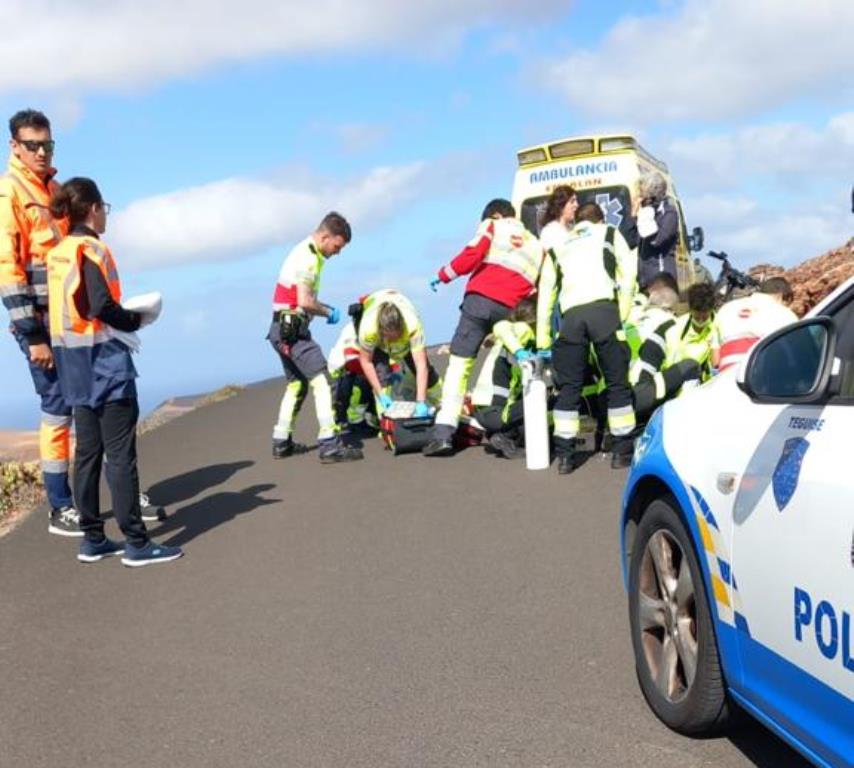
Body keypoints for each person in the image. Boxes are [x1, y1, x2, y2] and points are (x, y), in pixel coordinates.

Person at [46, 177, 182, 565]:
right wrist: (135, 320)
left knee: (87, 453)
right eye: (105, 207)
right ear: (92, 208)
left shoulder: (57, 254)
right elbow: (101, 305)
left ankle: (92, 539)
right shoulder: (90, 249)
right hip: (104, 363)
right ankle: (137, 544)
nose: (106, 214)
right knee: (120, 456)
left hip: (73, 367)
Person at [0, 109, 78, 534]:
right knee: (57, 408)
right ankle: (59, 505)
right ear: (15, 146)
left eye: (47, 144)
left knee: (86, 403)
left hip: (71, 321)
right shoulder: (9, 192)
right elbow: (8, 268)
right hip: (41, 327)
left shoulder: (54, 189)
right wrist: (33, 336)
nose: (42, 152)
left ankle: (92, 496)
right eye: (33, 145)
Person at [423, 198, 544, 456]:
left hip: (479, 301)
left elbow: (473, 254)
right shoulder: (536, 244)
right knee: (505, 367)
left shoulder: (492, 225)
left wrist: (444, 274)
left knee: (459, 366)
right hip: (512, 310)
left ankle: (443, 434)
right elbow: (538, 285)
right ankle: (503, 430)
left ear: (496, 215)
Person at [537, 202, 637, 474]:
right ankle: (621, 451)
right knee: (617, 383)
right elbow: (628, 274)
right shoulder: (608, 234)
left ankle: (566, 457)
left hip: (571, 319)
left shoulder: (559, 247)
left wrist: (543, 339)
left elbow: (545, 295)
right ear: (600, 219)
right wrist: (623, 314)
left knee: (569, 388)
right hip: (604, 312)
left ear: (576, 222)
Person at [268, 212, 363, 463]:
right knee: (323, 381)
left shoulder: (304, 251)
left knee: (297, 384)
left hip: (279, 329)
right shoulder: (308, 257)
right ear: (324, 237)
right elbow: (305, 301)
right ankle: (330, 445)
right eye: (337, 246)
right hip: (293, 332)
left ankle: (282, 441)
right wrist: (328, 311)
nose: (337, 252)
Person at [628, 273, 702, 421]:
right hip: (639, 396)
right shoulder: (671, 324)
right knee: (691, 365)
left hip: (614, 398)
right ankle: (684, 420)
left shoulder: (631, 316)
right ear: (671, 304)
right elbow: (675, 361)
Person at [356, 289, 441, 417]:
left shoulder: (412, 325)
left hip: (404, 333)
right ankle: (386, 420)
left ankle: (443, 403)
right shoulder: (368, 329)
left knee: (427, 374)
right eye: (390, 337)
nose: (394, 340)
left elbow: (421, 366)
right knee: (382, 375)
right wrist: (381, 395)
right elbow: (366, 362)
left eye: (397, 336)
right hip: (378, 338)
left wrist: (421, 402)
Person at [470, 298, 537, 459]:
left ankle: (502, 434)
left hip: (484, 409)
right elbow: (504, 328)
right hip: (494, 409)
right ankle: (506, 435)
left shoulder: (505, 340)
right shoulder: (523, 330)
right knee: (541, 400)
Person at [714, 277, 797, 371]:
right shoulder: (784, 313)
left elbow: (715, 360)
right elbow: (797, 353)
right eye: (787, 303)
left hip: (724, 379)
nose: (788, 307)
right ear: (781, 296)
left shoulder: (725, 309)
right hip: (761, 378)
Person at [635, 171, 679, 289]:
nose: (639, 196)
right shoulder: (643, 212)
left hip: (661, 276)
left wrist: (646, 211)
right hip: (644, 278)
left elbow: (657, 240)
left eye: (642, 192)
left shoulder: (669, 213)